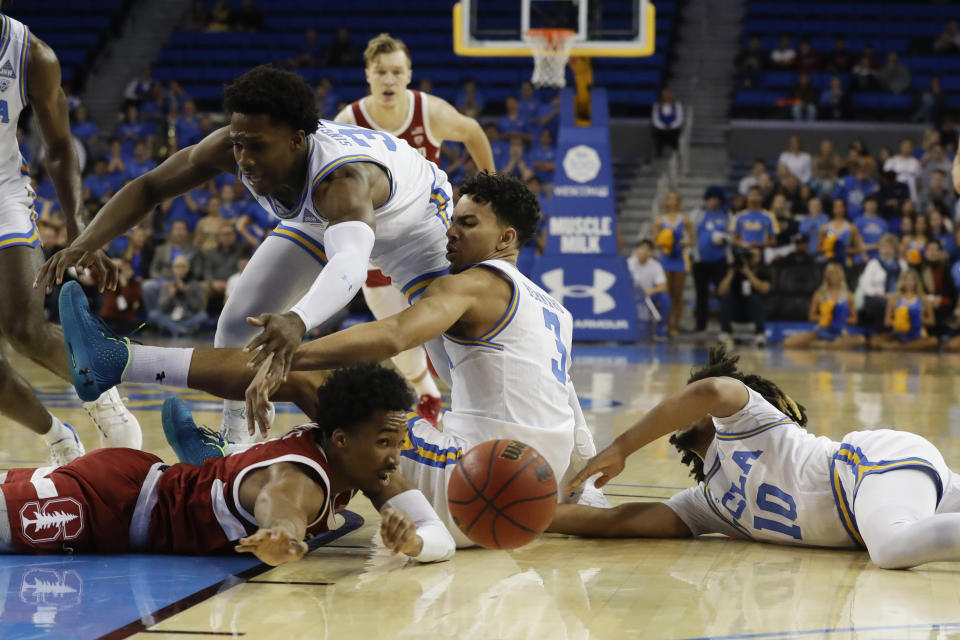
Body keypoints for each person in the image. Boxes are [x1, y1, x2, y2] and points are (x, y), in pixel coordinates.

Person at [58, 172, 607, 550]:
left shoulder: (476, 284)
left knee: (327, 386)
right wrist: (581, 488)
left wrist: (290, 348)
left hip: (471, 485)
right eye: (454, 219)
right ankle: (228, 459)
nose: (452, 231)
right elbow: (574, 423)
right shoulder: (555, 309)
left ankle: (123, 360)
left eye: (468, 223)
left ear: (505, 238)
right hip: (522, 496)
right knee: (369, 413)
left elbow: (393, 333)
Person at [37, 65, 454, 446]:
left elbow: (349, 264)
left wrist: (299, 319)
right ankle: (234, 444)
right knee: (237, 327)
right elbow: (150, 187)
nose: (245, 159)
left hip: (418, 228)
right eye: (239, 145)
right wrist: (88, 240)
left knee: (454, 362)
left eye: (256, 147)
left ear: (297, 140)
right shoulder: (234, 148)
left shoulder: (340, 181)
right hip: (318, 219)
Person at [0, 363, 455, 566]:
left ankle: (220, 460)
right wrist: (281, 538)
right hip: (114, 502)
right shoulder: (297, 480)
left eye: (397, 443)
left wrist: (415, 542)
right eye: (384, 442)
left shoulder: (364, 463)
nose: (395, 457)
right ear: (341, 439)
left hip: (136, 489)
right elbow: (284, 513)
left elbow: (439, 538)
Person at [557, 346, 960, 570]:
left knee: (890, 548)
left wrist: (622, 447)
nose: (677, 407)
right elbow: (610, 522)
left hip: (866, 468)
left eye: (682, 402)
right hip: (883, 502)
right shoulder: (708, 503)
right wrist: (518, 517)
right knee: (896, 536)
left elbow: (711, 391)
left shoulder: (749, 420)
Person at [0, 10, 140, 460]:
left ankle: (104, 398)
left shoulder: (31, 54)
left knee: (24, 328)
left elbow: (59, 147)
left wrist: (83, 230)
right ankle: (60, 441)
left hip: (3, 195)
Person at [335, 33, 494, 427]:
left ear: (409, 75)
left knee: (452, 327)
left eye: (396, 72)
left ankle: (481, 400)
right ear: (368, 75)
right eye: (381, 72)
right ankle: (425, 390)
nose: (389, 80)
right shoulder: (348, 121)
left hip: (432, 241)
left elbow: (473, 131)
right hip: (378, 247)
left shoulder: (430, 111)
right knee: (401, 339)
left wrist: (489, 183)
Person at [783, 262, 865, 349]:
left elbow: (854, 319)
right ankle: (825, 344)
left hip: (841, 331)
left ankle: (825, 345)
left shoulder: (849, 295)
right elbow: (811, 316)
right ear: (827, 276)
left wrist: (839, 319)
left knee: (861, 339)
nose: (834, 276)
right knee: (788, 342)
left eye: (836, 273)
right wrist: (827, 318)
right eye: (831, 274)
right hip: (821, 330)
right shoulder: (819, 294)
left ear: (841, 276)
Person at [654, 189, 695, 336]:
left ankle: (675, 325)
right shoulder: (660, 220)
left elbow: (693, 240)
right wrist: (665, 242)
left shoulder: (685, 220)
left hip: (679, 260)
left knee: (678, 294)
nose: (672, 201)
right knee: (667, 293)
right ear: (666, 201)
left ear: (679, 201)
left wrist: (685, 242)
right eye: (669, 198)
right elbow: (655, 242)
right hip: (666, 259)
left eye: (675, 199)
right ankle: (666, 323)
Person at [867, 270, 939, 351]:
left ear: (916, 282)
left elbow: (932, 321)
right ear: (902, 281)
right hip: (898, 334)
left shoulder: (923, 298)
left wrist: (917, 320)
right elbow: (887, 322)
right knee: (874, 341)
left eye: (912, 280)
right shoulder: (894, 298)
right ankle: (903, 347)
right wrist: (899, 322)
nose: (909, 283)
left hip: (917, 335)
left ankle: (901, 348)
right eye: (906, 280)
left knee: (934, 341)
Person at [693, 186, 729, 332]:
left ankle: (725, 326)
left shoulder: (726, 214)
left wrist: (724, 239)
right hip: (701, 261)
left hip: (720, 260)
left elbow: (733, 235)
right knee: (701, 294)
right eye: (710, 198)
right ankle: (700, 326)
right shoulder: (698, 214)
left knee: (723, 294)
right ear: (707, 200)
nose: (713, 201)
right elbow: (690, 233)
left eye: (716, 199)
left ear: (720, 200)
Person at [717, 247, 771, 346]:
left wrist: (747, 272)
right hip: (737, 310)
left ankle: (760, 333)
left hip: (754, 310)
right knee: (726, 297)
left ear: (760, 258)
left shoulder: (763, 271)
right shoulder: (735, 271)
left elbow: (764, 290)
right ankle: (725, 332)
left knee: (755, 297)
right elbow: (721, 291)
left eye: (754, 256)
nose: (751, 258)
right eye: (749, 256)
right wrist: (731, 272)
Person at [627, 238, 670, 340]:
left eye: (648, 249)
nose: (644, 251)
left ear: (651, 253)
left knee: (664, 298)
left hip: (648, 295)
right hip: (631, 295)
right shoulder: (628, 263)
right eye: (642, 248)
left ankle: (660, 329)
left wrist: (651, 291)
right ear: (636, 250)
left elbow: (663, 286)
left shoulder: (655, 265)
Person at [819, 199, 862, 267]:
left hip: (846, 261)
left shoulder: (851, 228)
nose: (838, 209)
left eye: (840, 207)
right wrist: (829, 249)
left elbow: (858, 248)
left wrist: (847, 251)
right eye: (836, 207)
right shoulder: (825, 228)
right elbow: (819, 247)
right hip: (829, 261)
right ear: (832, 209)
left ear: (844, 209)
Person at [650, 88, 684, 158]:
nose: (666, 96)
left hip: (673, 128)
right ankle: (659, 153)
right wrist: (664, 127)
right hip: (660, 129)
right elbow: (655, 119)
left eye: (667, 94)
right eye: (664, 95)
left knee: (673, 135)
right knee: (658, 134)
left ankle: (676, 152)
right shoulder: (657, 105)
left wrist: (670, 126)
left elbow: (679, 119)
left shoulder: (677, 105)